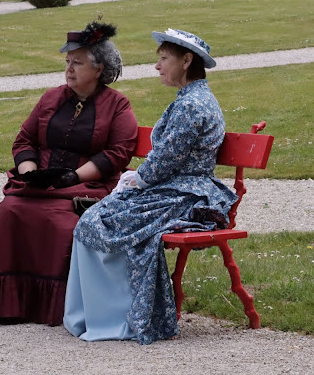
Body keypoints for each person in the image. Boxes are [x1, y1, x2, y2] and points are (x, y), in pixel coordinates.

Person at [0, 21, 138, 326]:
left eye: (77, 63)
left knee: (61, 223)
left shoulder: (117, 105)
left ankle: (52, 307)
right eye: (67, 62)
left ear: (99, 69)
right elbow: (24, 140)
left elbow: (118, 153)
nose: (69, 69)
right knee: (11, 210)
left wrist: (73, 177)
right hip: (39, 186)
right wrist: (29, 173)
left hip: (85, 187)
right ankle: (5, 305)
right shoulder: (51, 98)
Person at [63, 28, 238, 345]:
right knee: (94, 219)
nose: (157, 66)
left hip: (185, 194)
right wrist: (137, 180)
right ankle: (105, 314)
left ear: (186, 60)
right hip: (173, 189)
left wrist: (136, 179)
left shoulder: (192, 105)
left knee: (98, 221)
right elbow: (166, 159)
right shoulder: (190, 100)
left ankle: (124, 317)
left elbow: (166, 160)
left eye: (164, 58)